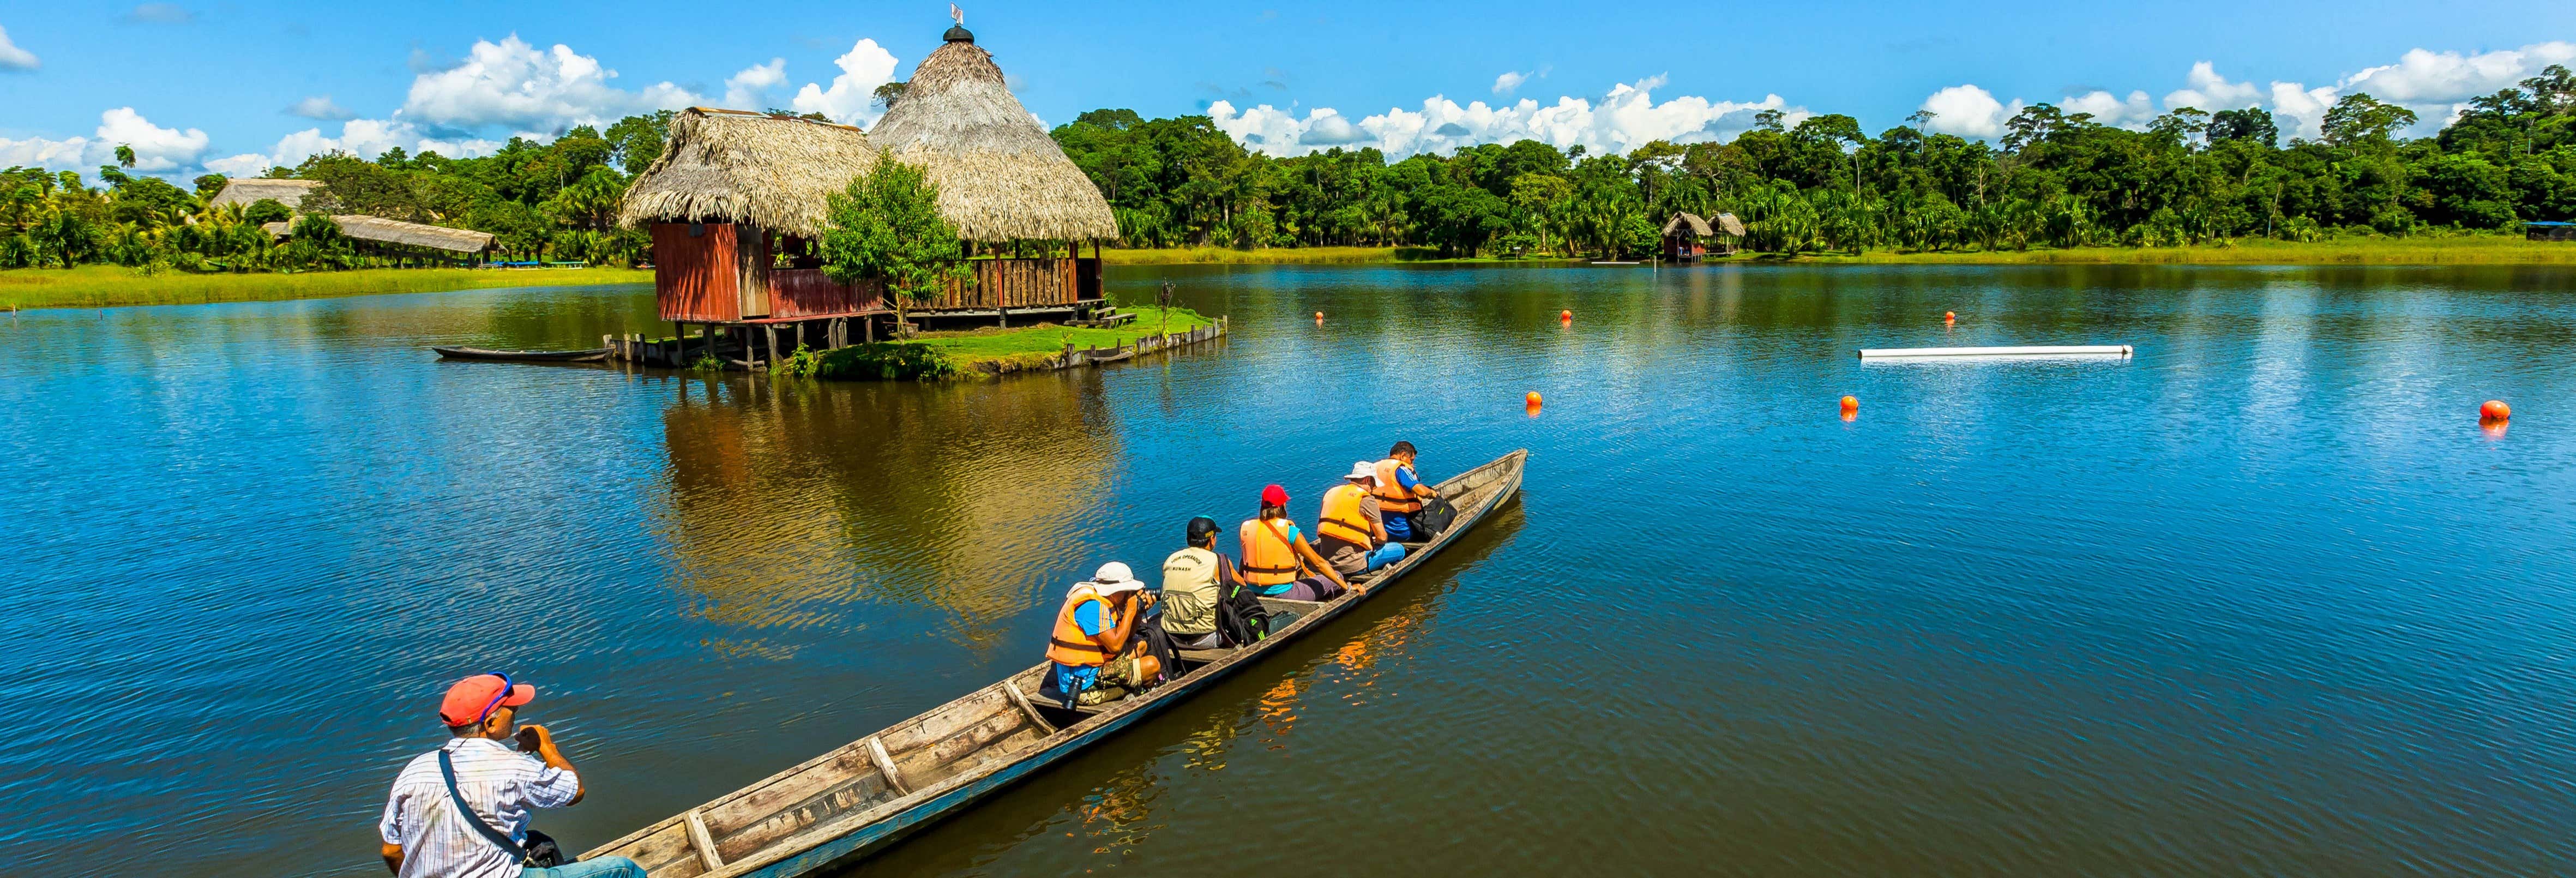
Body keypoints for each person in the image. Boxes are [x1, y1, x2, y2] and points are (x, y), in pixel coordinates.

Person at [379, 674, 644, 878]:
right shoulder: (510, 765)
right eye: (510, 708)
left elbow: (391, 851)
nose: (516, 711)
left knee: (538, 842)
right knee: (625, 869)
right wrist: (546, 747)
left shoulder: (414, 771)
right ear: (491, 723)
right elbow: (574, 791)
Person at [1040, 563, 1163, 708]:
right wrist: (1130, 610)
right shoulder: (1091, 608)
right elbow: (1116, 646)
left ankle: (1134, 683)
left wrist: (1138, 611)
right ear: (1115, 592)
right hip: (1083, 685)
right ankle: (1139, 693)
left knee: (1140, 645)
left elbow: (1127, 638)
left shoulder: (1102, 601)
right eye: (1127, 592)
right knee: (1152, 666)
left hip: (1092, 667)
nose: (1130, 596)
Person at [1238, 484, 1353, 602]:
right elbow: (1318, 563)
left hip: (1253, 592)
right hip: (1285, 594)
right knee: (1338, 575)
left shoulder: (1247, 528)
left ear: (1262, 505)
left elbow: (1244, 564)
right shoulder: (1290, 531)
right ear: (1283, 505)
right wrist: (1347, 587)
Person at [1158, 516, 1237, 649]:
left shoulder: (1171, 560)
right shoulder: (1218, 561)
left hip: (1171, 637)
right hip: (1204, 638)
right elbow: (1242, 588)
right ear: (1212, 539)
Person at [1316, 461, 1406, 576]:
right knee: (1400, 549)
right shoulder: (1366, 500)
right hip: (1354, 564)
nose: (1374, 489)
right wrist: (1375, 541)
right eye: (1374, 484)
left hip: (1328, 563)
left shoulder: (1331, 493)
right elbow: (1382, 538)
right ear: (1368, 480)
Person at [1373, 441, 1440, 543]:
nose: (1412, 465)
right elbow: (1422, 492)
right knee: (1442, 519)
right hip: (1403, 532)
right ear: (1403, 456)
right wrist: (1432, 493)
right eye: (1411, 461)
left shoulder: (1374, 468)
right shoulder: (1401, 469)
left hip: (1379, 530)